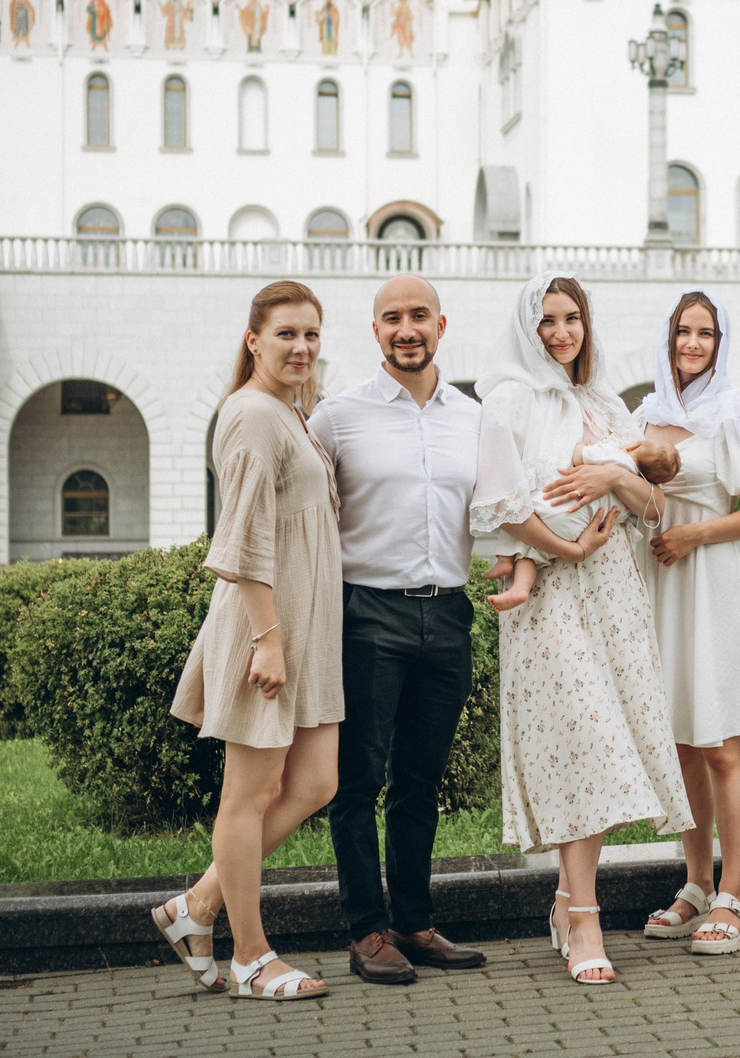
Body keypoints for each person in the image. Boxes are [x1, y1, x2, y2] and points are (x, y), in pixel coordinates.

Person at [472, 272, 692, 985]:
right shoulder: (506, 399)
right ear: (526, 326)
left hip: (613, 588)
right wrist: (562, 547)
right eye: (547, 320)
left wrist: (610, 480)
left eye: (572, 318)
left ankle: (569, 900)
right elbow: (499, 504)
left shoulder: (601, 401)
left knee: (602, 744)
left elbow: (654, 501)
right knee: (585, 738)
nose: (561, 332)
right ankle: (587, 920)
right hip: (551, 590)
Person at [153, 281, 345, 1003]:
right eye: (286, 334)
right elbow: (240, 539)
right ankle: (250, 957)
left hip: (306, 632)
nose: (301, 347)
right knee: (253, 791)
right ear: (253, 340)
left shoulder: (292, 416)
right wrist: (268, 639)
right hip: (267, 630)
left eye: (311, 335)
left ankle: (195, 906)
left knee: (316, 781)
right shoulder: (251, 415)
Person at [306, 274, 490, 986]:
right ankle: (366, 929)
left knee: (421, 778)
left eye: (418, 316)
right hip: (367, 613)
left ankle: (413, 921)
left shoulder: (472, 416)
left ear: (441, 324)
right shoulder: (339, 415)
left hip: (447, 610)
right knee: (357, 779)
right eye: (392, 317)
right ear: (375, 328)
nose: (406, 328)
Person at [637, 291, 740, 957]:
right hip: (660, 583)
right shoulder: (646, 414)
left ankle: (738, 894)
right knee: (680, 741)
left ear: (720, 341)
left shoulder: (738, 408)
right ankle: (697, 882)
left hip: (712, 580)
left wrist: (697, 531)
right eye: (684, 330)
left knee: (721, 742)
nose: (693, 343)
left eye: (706, 333)